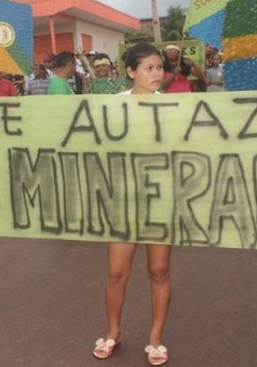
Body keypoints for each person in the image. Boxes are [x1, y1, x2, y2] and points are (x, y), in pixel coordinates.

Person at [92, 42, 171, 366]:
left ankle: (155, 339)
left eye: (159, 67)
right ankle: (113, 332)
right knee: (115, 273)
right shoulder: (112, 106)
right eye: (149, 68)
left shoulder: (174, 107)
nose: (156, 74)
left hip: (161, 199)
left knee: (159, 270)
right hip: (123, 200)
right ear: (130, 72)